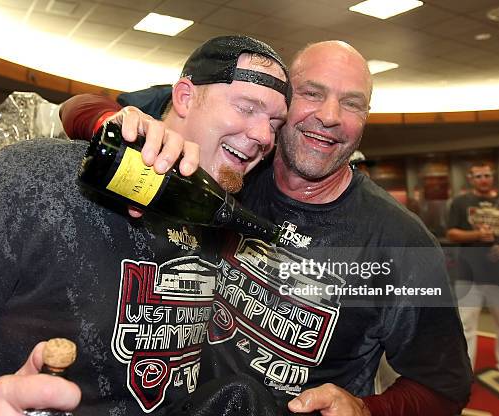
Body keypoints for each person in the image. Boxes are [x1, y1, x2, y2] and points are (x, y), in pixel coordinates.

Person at [49, 40, 473, 415]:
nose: (329, 116)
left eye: (352, 103)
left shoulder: (402, 242)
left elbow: (444, 387)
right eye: (312, 94)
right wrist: (124, 127)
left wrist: (365, 408)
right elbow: (78, 108)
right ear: (281, 107)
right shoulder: (233, 167)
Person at [0, 35, 289, 416]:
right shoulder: (38, 178)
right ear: (185, 97)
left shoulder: (216, 220)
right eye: (247, 107)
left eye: (274, 123)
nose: (263, 136)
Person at [446, 162, 499, 388]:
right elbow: (452, 233)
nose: (483, 179)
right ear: (471, 179)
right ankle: (465, 375)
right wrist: (476, 234)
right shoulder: (460, 202)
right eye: (478, 176)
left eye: (487, 175)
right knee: (465, 329)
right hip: (469, 275)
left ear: (492, 177)